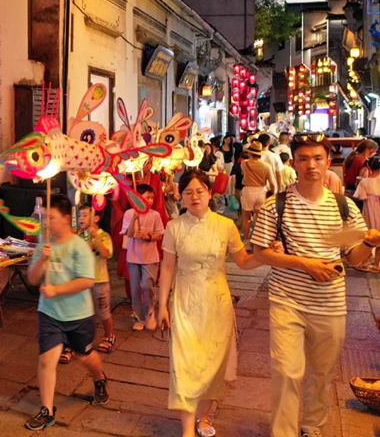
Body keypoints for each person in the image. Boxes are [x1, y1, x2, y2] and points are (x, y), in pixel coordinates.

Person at [251, 134, 380, 437]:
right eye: (304, 159)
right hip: (288, 301)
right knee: (286, 371)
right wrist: (305, 264)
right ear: (294, 163)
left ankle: (312, 428)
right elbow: (260, 252)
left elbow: (353, 257)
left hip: (330, 304)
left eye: (318, 158)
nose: (311, 165)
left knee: (321, 375)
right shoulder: (276, 205)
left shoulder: (343, 206)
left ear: (328, 161)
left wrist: (368, 243)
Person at [157, 169, 263, 437]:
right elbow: (167, 269)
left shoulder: (226, 226)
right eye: (188, 192)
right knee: (185, 364)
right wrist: (161, 306)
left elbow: (243, 261)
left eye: (199, 191)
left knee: (214, 364)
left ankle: (203, 416)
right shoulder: (174, 227)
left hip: (217, 304)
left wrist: (266, 255)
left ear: (210, 194)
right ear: (180, 197)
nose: (194, 197)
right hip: (184, 302)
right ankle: (186, 430)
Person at [24, 194, 108, 430]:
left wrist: (57, 289)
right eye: (45, 217)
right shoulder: (44, 244)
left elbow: (87, 281)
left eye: (51, 217)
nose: (47, 222)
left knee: (84, 356)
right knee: (46, 361)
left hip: (78, 315)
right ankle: (47, 410)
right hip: (49, 314)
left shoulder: (78, 246)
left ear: (65, 218)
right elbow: (32, 278)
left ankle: (99, 377)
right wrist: (41, 258)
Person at [120, 184, 164, 331]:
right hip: (133, 257)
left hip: (150, 257)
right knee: (135, 288)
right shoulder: (128, 213)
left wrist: (148, 236)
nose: (150, 200)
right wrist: (134, 218)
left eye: (152, 197)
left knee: (147, 285)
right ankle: (138, 317)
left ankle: (150, 310)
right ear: (138, 198)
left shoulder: (155, 215)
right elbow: (129, 234)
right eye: (147, 197)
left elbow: (160, 234)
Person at [77, 202, 116, 355]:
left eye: (85, 215)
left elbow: (106, 254)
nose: (81, 218)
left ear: (96, 218)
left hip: (99, 280)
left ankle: (109, 335)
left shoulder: (104, 236)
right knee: (82, 311)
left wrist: (94, 238)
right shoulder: (78, 236)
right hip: (82, 281)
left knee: (103, 311)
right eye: (80, 215)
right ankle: (82, 338)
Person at [239, 141, 276, 243]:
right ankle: (258, 239)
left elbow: (243, 173)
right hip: (261, 191)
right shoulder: (266, 166)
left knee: (246, 217)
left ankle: (246, 240)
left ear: (250, 153)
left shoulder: (244, 164)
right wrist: (272, 193)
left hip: (248, 191)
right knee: (259, 217)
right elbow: (272, 183)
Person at [355, 156, 380, 230]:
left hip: (369, 206)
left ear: (369, 166)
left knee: (370, 222)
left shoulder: (364, 182)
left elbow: (361, 196)